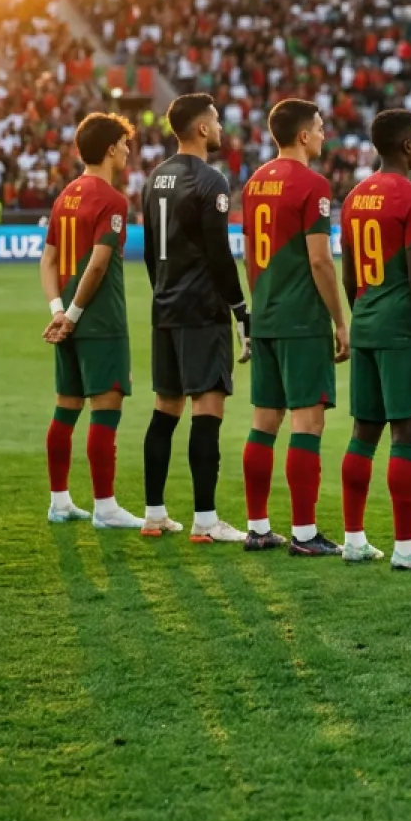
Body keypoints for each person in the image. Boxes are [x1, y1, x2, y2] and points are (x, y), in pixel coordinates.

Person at [337, 108, 411, 569]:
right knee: (408, 433)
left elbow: (348, 276)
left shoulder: (353, 198)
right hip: (401, 328)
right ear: (406, 146)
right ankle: (406, 546)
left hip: (365, 322)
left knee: (363, 433)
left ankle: (354, 538)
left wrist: (361, 312)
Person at [240, 98, 351, 556]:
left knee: (264, 422)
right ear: (303, 135)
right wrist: (340, 321)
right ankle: (304, 533)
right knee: (309, 423)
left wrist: (257, 307)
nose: (324, 135)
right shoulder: (312, 185)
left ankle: (258, 526)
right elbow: (321, 261)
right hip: (302, 319)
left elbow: (249, 254)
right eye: (320, 129)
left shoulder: (253, 183)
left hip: (265, 313)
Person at [138, 93, 251, 543]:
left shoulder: (153, 178)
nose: (221, 128)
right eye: (217, 121)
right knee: (208, 408)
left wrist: (164, 292)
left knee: (165, 409)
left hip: (164, 305)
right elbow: (220, 254)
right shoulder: (211, 181)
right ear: (201, 129)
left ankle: (153, 514)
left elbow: (149, 253)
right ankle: (205, 520)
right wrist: (239, 308)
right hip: (202, 308)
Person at [39, 112, 143, 529]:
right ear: (111, 148)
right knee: (106, 406)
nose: (129, 149)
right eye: (125, 142)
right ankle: (105, 506)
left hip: (66, 317)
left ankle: (60, 500)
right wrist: (76, 315)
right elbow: (98, 266)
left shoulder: (65, 195)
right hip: (99, 321)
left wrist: (58, 312)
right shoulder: (112, 199)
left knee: (66, 408)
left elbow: (47, 260)